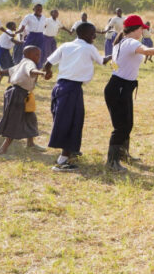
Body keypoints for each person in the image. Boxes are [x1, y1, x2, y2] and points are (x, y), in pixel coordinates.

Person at [103, 15, 154, 172]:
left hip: (121, 87)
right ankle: (111, 161)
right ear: (135, 29)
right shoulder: (130, 42)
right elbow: (146, 50)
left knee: (128, 123)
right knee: (121, 126)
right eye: (141, 29)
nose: (143, 31)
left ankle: (122, 154)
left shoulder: (120, 42)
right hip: (119, 87)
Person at [44, 22, 111, 172]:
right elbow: (103, 61)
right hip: (72, 89)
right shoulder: (89, 48)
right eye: (93, 33)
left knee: (61, 120)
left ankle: (70, 151)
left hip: (59, 87)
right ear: (85, 34)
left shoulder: (66, 45)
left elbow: (48, 63)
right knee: (71, 122)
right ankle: (62, 161)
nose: (95, 36)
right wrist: (114, 55)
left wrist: (47, 73)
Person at [0, 45, 49, 156]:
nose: (39, 57)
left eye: (39, 54)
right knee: (15, 121)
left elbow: (10, 70)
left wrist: (0, 72)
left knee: (30, 118)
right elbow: (32, 71)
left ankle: (30, 144)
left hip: (21, 94)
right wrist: (42, 73)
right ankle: (2, 151)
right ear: (28, 55)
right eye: (36, 54)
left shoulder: (23, 61)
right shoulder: (29, 63)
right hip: (18, 95)